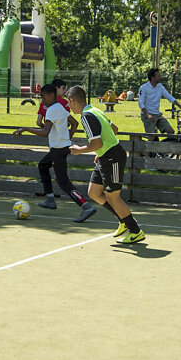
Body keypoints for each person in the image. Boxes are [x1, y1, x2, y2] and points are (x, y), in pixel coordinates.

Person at [66, 85, 145, 244]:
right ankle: (123, 220)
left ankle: (136, 231)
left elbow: (97, 143)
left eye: (68, 103)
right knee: (94, 192)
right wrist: (100, 152)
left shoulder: (86, 117)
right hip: (105, 156)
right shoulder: (95, 110)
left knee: (112, 197)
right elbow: (114, 129)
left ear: (73, 100)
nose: (69, 107)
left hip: (112, 157)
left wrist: (79, 150)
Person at [14, 83, 96, 223]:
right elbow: (74, 123)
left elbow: (45, 131)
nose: (42, 100)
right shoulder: (60, 107)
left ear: (51, 95)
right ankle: (50, 199)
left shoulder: (52, 110)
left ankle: (86, 206)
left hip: (58, 149)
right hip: (61, 147)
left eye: (43, 97)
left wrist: (25, 129)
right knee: (43, 165)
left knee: (63, 182)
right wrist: (67, 138)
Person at [139, 68, 181, 136]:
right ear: (152, 77)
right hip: (147, 115)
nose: (160, 77)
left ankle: (165, 143)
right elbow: (140, 103)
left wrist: (180, 105)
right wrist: (148, 115)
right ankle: (151, 141)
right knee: (152, 137)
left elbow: (169, 97)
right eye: (158, 76)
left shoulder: (160, 86)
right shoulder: (144, 87)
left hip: (157, 115)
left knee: (171, 131)